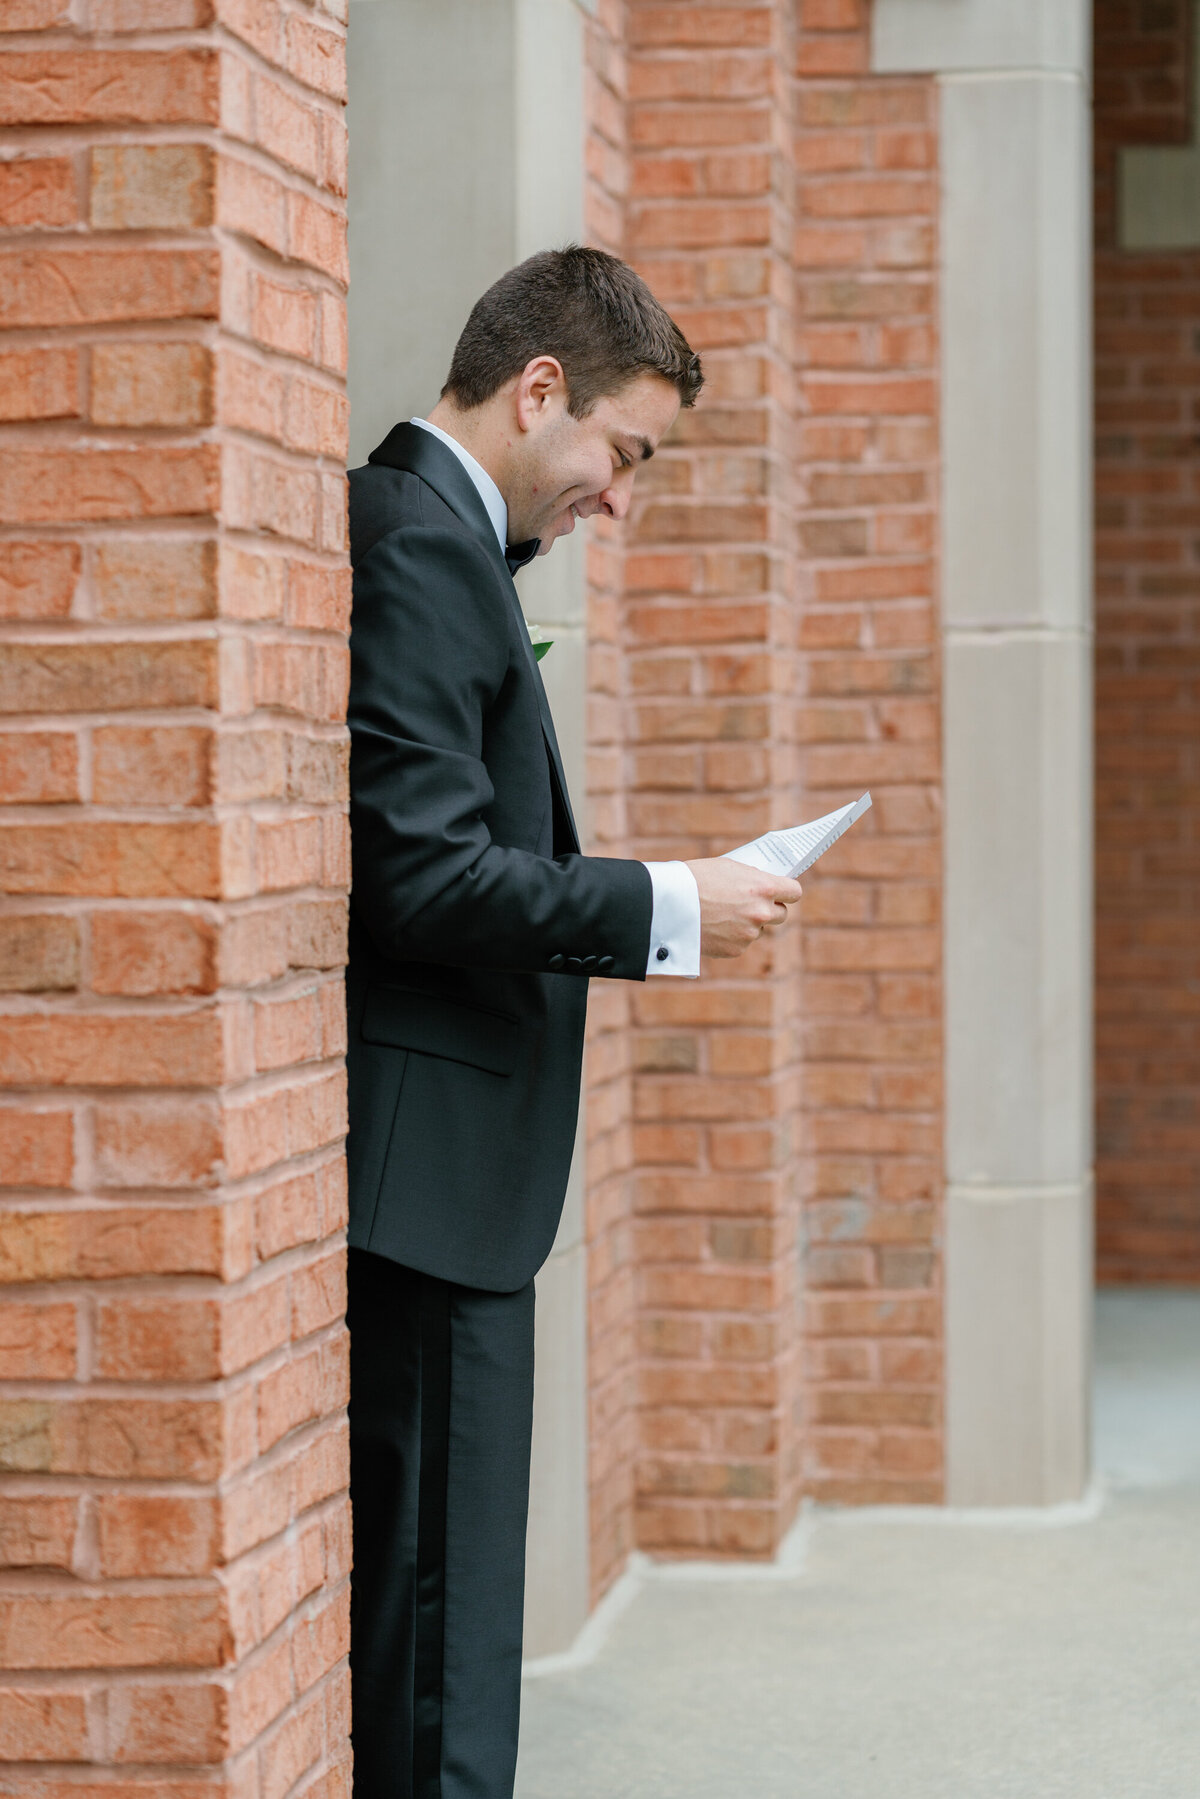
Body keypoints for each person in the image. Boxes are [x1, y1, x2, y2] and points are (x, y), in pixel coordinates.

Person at [345, 246, 803, 1799]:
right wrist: (668, 902)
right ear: (540, 389)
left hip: (450, 1194)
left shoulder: (445, 547)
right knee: (438, 1658)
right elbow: (423, 878)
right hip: (426, 1206)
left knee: (451, 1641)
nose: (620, 497)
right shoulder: (415, 548)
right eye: (624, 453)